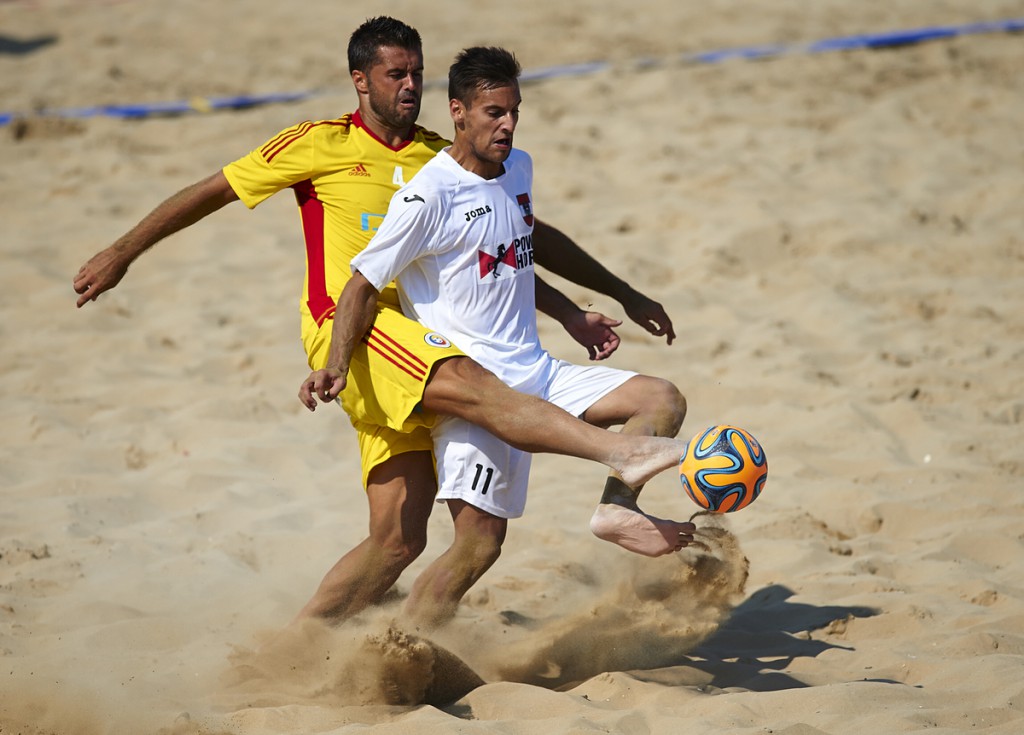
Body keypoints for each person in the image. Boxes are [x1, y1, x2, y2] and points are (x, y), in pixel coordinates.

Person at [73, 17, 692, 628]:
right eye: (396, 73)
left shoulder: (442, 155)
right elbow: (215, 190)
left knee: (397, 539)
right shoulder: (320, 143)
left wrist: (582, 306)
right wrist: (122, 252)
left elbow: (512, 240)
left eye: (418, 73)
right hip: (355, 330)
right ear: (360, 80)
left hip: (425, 340)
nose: (410, 85)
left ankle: (295, 651)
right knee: (479, 389)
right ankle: (623, 454)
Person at [300, 45, 691, 629]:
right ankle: (403, 644)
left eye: (514, 112)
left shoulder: (519, 168)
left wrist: (588, 308)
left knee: (661, 398)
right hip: (479, 395)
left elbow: (517, 250)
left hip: (537, 370)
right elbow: (360, 285)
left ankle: (618, 509)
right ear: (458, 113)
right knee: (478, 547)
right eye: (493, 113)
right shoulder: (428, 196)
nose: (507, 125)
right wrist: (334, 364)